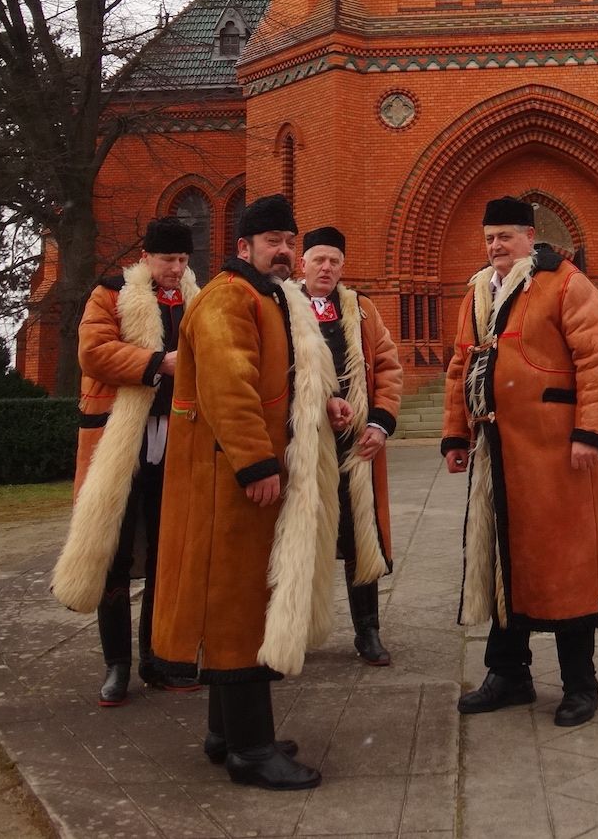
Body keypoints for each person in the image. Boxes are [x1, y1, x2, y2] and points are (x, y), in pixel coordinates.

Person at [149, 194, 351, 792]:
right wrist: (256, 463)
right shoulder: (226, 299)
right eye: (272, 242)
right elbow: (228, 385)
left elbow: (279, 377)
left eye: (289, 240)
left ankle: (225, 734)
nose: (285, 250)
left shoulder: (269, 299)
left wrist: (323, 403)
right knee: (237, 607)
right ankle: (251, 752)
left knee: (241, 603)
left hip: (242, 476)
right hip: (227, 480)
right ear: (243, 248)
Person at [441, 195, 598, 729]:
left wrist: (589, 432)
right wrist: (455, 433)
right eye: (490, 237)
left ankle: (580, 684)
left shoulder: (564, 282)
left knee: (563, 562)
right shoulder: (476, 290)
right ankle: (509, 673)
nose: (497, 246)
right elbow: (460, 363)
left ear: (529, 237)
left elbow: (597, 356)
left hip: (555, 450)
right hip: (496, 452)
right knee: (500, 560)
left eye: (507, 237)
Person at [51, 215, 201, 706]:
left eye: (182, 260)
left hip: (177, 437)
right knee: (112, 550)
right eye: (167, 260)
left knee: (166, 550)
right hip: (120, 437)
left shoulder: (199, 302)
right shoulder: (110, 294)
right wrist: (159, 363)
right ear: (147, 258)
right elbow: (94, 353)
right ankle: (117, 666)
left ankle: (158, 659)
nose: (176, 269)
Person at [301, 225, 403, 665]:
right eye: (319, 259)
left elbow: (388, 367)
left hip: (355, 444)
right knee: (298, 538)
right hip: (302, 443)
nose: (326, 268)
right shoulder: (281, 307)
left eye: (334, 262)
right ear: (303, 262)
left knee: (361, 539)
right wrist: (318, 403)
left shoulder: (361, 309)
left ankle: (368, 632)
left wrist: (379, 423)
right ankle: (293, 631)